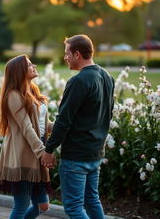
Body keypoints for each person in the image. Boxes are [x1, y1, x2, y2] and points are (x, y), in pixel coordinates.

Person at [41, 34, 115, 219]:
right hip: (95, 153)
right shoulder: (107, 77)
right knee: (92, 201)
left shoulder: (78, 81)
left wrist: (49, 149)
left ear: (77, 54)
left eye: (67, 53)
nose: (65, 58)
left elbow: (64, 120)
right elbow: (108, 115)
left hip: (76, 156)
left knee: (74, 207)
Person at [0, 54, 53, 219]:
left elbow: (45, 125)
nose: (34, 65)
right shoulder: (13, 95)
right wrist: (42, 152)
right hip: (22, 153)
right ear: (19, 71)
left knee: (43, 206)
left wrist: (66, 126)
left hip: (37, 147)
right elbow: (27, 128)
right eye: (29, 64)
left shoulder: (33, 91)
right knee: (21, 205)